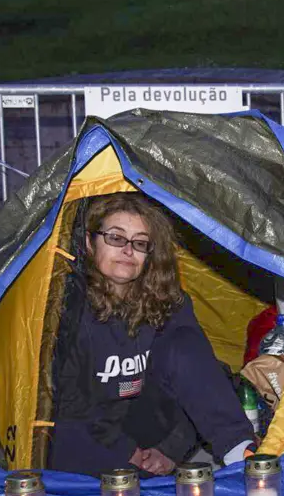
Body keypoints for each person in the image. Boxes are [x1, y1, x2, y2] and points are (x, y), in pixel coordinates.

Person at [46, 192, 256, 477]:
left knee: (186, 347)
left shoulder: (168, 301)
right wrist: (125, 450)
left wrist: (172, 448)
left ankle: (239, 453)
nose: (128, 251)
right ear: (89, 243)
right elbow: (68, 403)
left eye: (140, 243)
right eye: (116, 238)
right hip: (91, 429)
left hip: (143, 418)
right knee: (64, 439)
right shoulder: (68, 307)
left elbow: (198, 374)